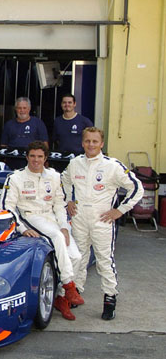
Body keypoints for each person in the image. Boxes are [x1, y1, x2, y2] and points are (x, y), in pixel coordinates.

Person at [61, 127, 143, 321]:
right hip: (79, 217)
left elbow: (137, 188)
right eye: (87, 141)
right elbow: (64, 181)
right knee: (79, 257)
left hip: (102, 219)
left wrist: (120, 210)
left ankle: (110, 298)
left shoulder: (112, 165)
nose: (91, 145)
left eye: (95, 141)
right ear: (82, 143)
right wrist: (68, 201)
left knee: (104, 260)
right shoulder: (75, 163)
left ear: (102, 144)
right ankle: (76, 293)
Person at [1, 141, 85, 321]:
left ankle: (62, 298)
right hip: (30, 217)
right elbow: (7, 207)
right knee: (56, 236)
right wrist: (22, 228)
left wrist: (64, 226)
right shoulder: (15, 178)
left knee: (76, 256)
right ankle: (70, 285)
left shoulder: (54, 177)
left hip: (52, 218)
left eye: (40, 157)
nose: (36, 160)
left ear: (46, 158)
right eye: (32, 156)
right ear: (27, 157)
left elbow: (60, 204)